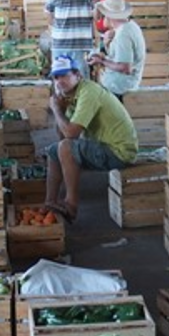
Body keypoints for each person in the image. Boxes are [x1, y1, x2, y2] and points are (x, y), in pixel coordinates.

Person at [44, 55, 137, 223]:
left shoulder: (89, 92)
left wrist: (56, 110)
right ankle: (50, 202)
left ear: (78, 75)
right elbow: (62, 136)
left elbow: (71, 135)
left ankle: (70, 205)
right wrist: (62, 110)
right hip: (101, 146)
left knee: (66, 147)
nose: (59, 81)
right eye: (56, 77)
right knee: (53, 150)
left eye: (64, 75)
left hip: (119, 151)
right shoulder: (71, 96)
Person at [87, 0, 145, 100]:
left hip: (119, 88)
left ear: (108, 15)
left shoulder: (123, 34)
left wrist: (102, 61)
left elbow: (125, 67)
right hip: (124, 84)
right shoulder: (131, 26)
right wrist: (104, 56)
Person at [45, 0, 98, 75]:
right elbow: (48, 13)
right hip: (60, 43)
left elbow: (95, 15)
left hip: (81, 44)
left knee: (82, 79)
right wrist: (55, 28)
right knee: (60, 78)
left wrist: (95, 38)